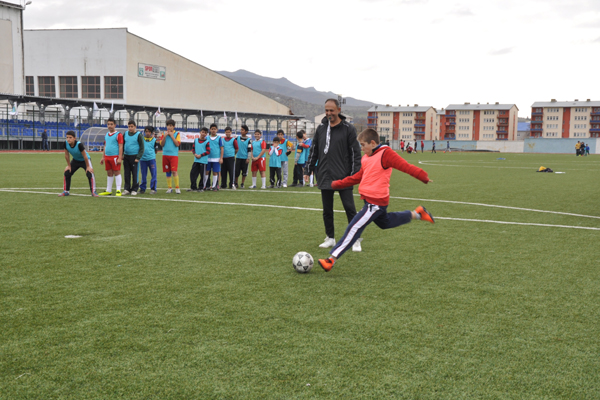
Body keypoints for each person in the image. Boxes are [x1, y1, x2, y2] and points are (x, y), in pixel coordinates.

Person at [318, 128, 434, 272]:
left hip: (376, 203)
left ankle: (331, 260)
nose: (361, 148)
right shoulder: (366, 157)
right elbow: (358, 177)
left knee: (354, 227)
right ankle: (418, 214)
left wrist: (422, 176)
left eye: (362, 145)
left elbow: (405, 167)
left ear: (372, 143)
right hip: (370, 201)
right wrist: (338, 183)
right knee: (386, 223)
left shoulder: (386, 154)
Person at [304, 98, 362, 251]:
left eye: (332, 110)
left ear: (338, 110)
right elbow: (314, 150)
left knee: (350, 208)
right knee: (327, 210)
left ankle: (355, 239)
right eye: (326, 110)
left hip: (344, 176)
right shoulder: (321, 128)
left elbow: (355, 153)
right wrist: (308, 168)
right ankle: (330, 237)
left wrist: (354, 174)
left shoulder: (348, 129)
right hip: (325, 175)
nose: (329, 113)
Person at [59, 131, 98, 197]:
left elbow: (85, 156)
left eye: (70, 137)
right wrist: (69, 165)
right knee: (67, 172)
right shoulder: (65, 143)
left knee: (89, 173)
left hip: (85, 160)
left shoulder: (79, 145)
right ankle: (66, 191)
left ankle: (93, 191)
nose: (68, 139)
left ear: (74, 138)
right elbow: (66, 155)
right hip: (75, 160)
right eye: (67, 137)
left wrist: (88, 166)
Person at [99, 117, 124, 196]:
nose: (110, 126)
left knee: (117, 172)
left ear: (115, 125)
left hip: (115, 157)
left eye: (111, 124)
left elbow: (120, 146)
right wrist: (103, 157)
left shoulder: (118, 135)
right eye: (108, 124)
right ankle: (108, 190)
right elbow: (105, 146)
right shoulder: (106, 134)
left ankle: (118, 190)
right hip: (107, 157)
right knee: (109, 173)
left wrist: (120, 158)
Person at [122, 120, 145, 195]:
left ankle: (134, 189)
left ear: (135, 127)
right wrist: (122, 154)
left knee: (135, 174)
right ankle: (127, 189)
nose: (130, 128)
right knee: (126, 173)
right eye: (129, 126)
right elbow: (122, 145)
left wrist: (138, 157)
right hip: (126, 156)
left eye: (132, 126)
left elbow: (142, 148)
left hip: (134, 157)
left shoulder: (139, 135)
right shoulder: (125, 134)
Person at [160, 119, 181, 194]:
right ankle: (169, 188)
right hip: (165, 155)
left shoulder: (177, 134)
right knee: (167, 172)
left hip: (174, 155)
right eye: (168, 125)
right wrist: (165, 137)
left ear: (174, 126)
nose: (169, 127)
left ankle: (177, 187)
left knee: (174, 171)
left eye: (171, 126)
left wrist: (172, 136)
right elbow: (161, 144)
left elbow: (177, 144)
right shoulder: (163, 134)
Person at [188, 127, 210, 192]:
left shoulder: (207, 142)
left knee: (202, 175)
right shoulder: (196, 140)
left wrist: (201, 155)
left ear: (206, 134)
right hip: (196, 160)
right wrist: (195, 154)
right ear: (200, 132)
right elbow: (193, 149)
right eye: (202, 132)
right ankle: (193, 187)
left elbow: (208, 151)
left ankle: (201, 187)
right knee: (193, 173)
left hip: (203, 161)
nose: (203, 134)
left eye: (205, 133)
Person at [139, 126, 157, 194]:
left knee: (153, 174)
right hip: (143, 159)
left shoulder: (154, 140)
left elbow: (156, 150)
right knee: (143, 175)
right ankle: (142, 189)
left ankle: (153, 189)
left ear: (152, 133)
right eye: (146, 131)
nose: (147, 133)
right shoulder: (141, 139)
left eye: (149, 132)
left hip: (151, 159)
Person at [206, 123, 224, 191]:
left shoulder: (219, 138)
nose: (213, 130)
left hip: (216, 158)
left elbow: (222, 148)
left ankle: (214, 186)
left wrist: (221, 158)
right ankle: (206, 185)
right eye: (212, 129)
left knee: (215, 172)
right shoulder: (207, 138)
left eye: (215, 129)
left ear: (217, 130)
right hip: (207, 158)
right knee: (207, 172)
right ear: (210, 130)